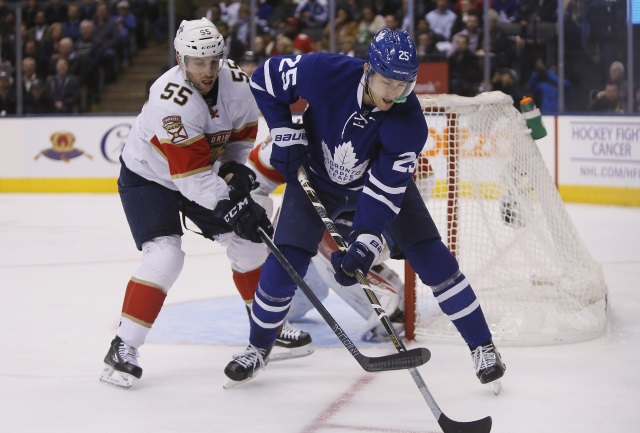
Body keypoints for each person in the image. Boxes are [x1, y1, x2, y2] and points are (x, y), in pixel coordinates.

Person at [224, 28, 506, 387]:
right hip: (316, 178)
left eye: (404, 84)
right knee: (285, 262)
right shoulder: (324, 72)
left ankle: (483, 347)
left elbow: (385, 190)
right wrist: (282, 130)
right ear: (368, 69)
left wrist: (364, 242)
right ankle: (258, 348)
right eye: (387, 81)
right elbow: (264, 78)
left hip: (374, 187)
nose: (394, 93)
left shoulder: (409, 123)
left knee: (434, 259)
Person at [99, 18, 311, 390]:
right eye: (198, 62)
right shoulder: (170, 101)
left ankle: (267, 329)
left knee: (249, 241)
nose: (208, 70)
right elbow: (191, 180)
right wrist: (234, 205)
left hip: (199, 172)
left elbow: (242, 138)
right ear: (181, 60)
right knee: (165, 256)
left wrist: (232, 168)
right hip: (149, 177)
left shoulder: (237, 84)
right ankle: (122, 347)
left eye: (214, 60)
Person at [246, 138, 408, 343]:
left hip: (377, 217)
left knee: (333, 244)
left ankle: (388, 302)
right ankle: (390, 284)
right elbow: (254, 175)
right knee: (290, 306)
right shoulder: (297, 136)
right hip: (309, 231)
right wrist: (256, 214)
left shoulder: (379, 134)